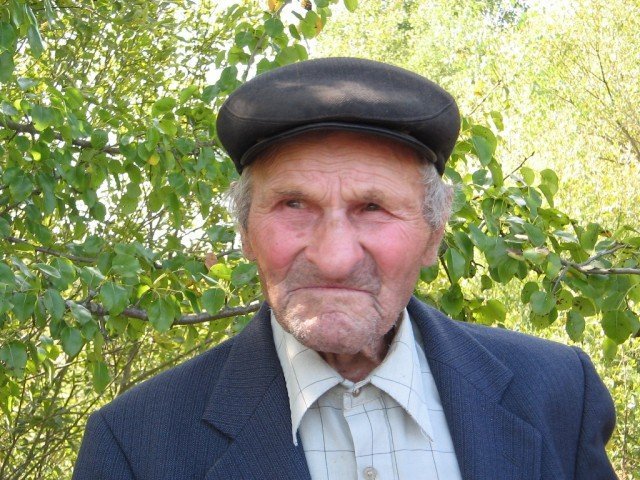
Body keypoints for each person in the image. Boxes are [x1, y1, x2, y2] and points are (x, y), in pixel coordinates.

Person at [73, 58, 616, 480]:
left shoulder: (560, 396)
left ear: (433, 235)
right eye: (293, 205)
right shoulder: (135, 446)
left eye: (373, 208)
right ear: (246, 233)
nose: (334, 257)